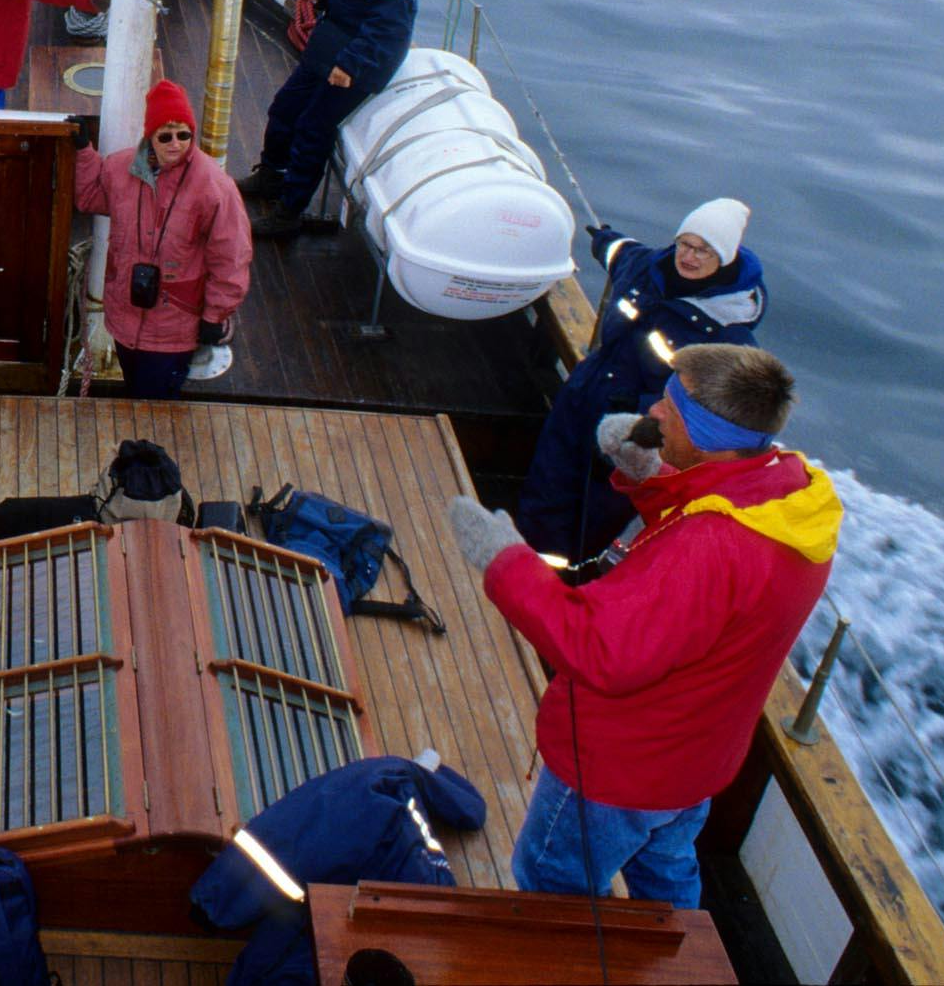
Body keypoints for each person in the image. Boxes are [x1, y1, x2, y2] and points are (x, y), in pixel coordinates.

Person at [447, 344, 840, 910]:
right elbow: (713, 542)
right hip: (695, 762)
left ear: (706, 433)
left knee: (551, 881)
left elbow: (600, 650)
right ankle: (679, 958)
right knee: (667, 867)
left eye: (671, 409)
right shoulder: (790, 496)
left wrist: (505, 561)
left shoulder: (709, 549)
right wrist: (653, 474)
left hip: (620, 771)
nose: (653, 411)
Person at [514, 200, 768, 561]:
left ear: (724, 258)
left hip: (637, 433)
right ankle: (525, 557)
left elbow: (721, 405)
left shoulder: (730, 335)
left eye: (704, 250)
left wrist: (638, 411)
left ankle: (562, 575)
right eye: (685, 244)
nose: (690, 257)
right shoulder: (644, 267)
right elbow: (618, 252)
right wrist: (603, 238)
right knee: (548, 480)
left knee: (596, 511)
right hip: (581, 400)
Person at [243, 0, 425, 239]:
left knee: (313, 127)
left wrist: (353, 64)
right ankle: (272, 176)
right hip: (334, 39)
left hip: (360, 54)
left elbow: (392, 19)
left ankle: (288, 213)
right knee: (285, 107)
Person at [190, 751, 484, 984]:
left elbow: (289, 843)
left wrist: (218, 899)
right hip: (432, 929)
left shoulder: (368, 788)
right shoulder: (421, 844)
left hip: (354, 926)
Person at [74, 78, 253, 398]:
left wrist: (215, 315)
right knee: (137, 390)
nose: (175, 143)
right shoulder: (119, 169)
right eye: (165, 135)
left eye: (184, 135)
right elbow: (89, 197)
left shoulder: (214, 186)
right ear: (150, 137)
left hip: (175, 326)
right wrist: (83, 151)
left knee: (154, 400)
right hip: (125, 317)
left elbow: (232, 257)